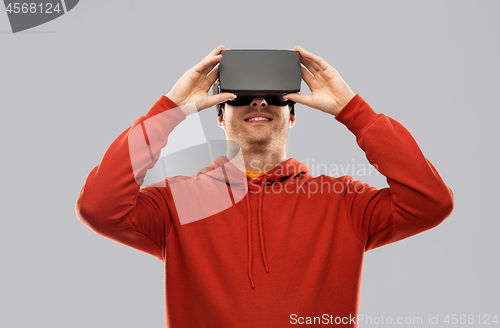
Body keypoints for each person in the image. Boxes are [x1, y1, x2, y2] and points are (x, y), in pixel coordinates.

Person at [75, 45, 454, 327]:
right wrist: (170, 110)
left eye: (275, 95)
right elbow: (99, 206)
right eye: (240, 96)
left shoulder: (342, 201)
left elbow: (430, 202)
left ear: (293, 118)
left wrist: (352, 110)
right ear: (219, 117)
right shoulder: (178, 202)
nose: (258, 100)